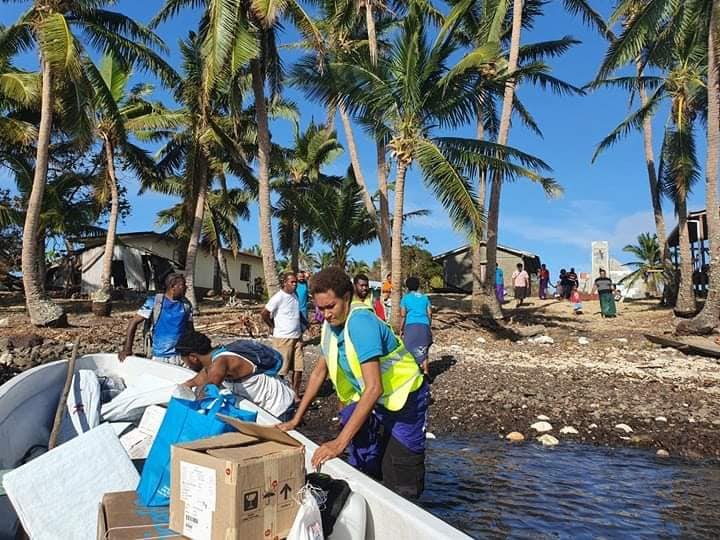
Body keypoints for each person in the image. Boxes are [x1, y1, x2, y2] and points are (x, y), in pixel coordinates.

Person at [278, 267, 428, 498]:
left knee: (402, 476)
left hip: (404, 402)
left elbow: (374, 386)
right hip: (376, 403)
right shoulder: (331, 325)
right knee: (368, 461)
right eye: (320, 308)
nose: (326, 314)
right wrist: (297, 418)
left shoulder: (360, 323)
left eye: (331, 307)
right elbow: (319, 373)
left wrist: (339, 443)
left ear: (346, 298)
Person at [175, 331, 296, 421]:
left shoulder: (221, 362)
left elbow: (209, 389)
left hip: (278, 406)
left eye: (184, 360)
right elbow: (197, 380)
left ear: (193, 357)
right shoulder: (211, 363)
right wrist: (184, 387)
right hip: (267, 405)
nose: (186, 364)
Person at [119, 272, 193, 365]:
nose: (186, 287)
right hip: (160, 357)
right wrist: (127, 349)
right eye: (183, 285)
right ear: (173, 286)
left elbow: (190, 329)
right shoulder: (154, 302)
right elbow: (133, 322)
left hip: (182, 356)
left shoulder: (186, 305)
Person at [262, 272, 303, 398]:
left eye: (296, 282)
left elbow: (296, 313)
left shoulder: (295, 296)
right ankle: (279, 395)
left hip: (297, 337)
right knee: (281, 369)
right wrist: (272, 326)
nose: (295, 284)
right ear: (285, 283)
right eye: (292, 282)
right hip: (282, 338)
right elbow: (264, 313)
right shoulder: (278, 297)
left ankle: (295, 394)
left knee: (299, 368)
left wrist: (305, 324)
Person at [399, 277, 432, 376]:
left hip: (411, 326)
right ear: (418, 286)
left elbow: (403, 315)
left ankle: (414, 373)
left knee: (409, 350)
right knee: (423, 349)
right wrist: (428, 324)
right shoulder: (425, 297)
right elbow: (430, 313)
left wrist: (401, 329)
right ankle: (426, 372)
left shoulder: (405, 298)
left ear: (407, 287)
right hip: (424, 325)